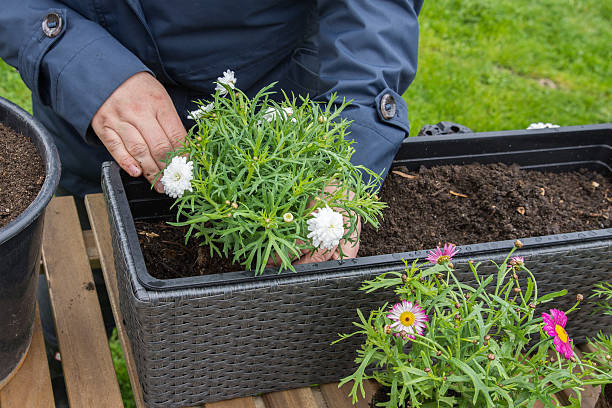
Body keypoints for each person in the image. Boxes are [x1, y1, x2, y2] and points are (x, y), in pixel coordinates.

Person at [0, 1, 423, 397]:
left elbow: (374, 13)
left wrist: (347, 147)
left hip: (266, 112)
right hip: (92, 122)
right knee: (69, 277)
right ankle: (54, 366)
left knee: (261, 319)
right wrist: (77, 60)